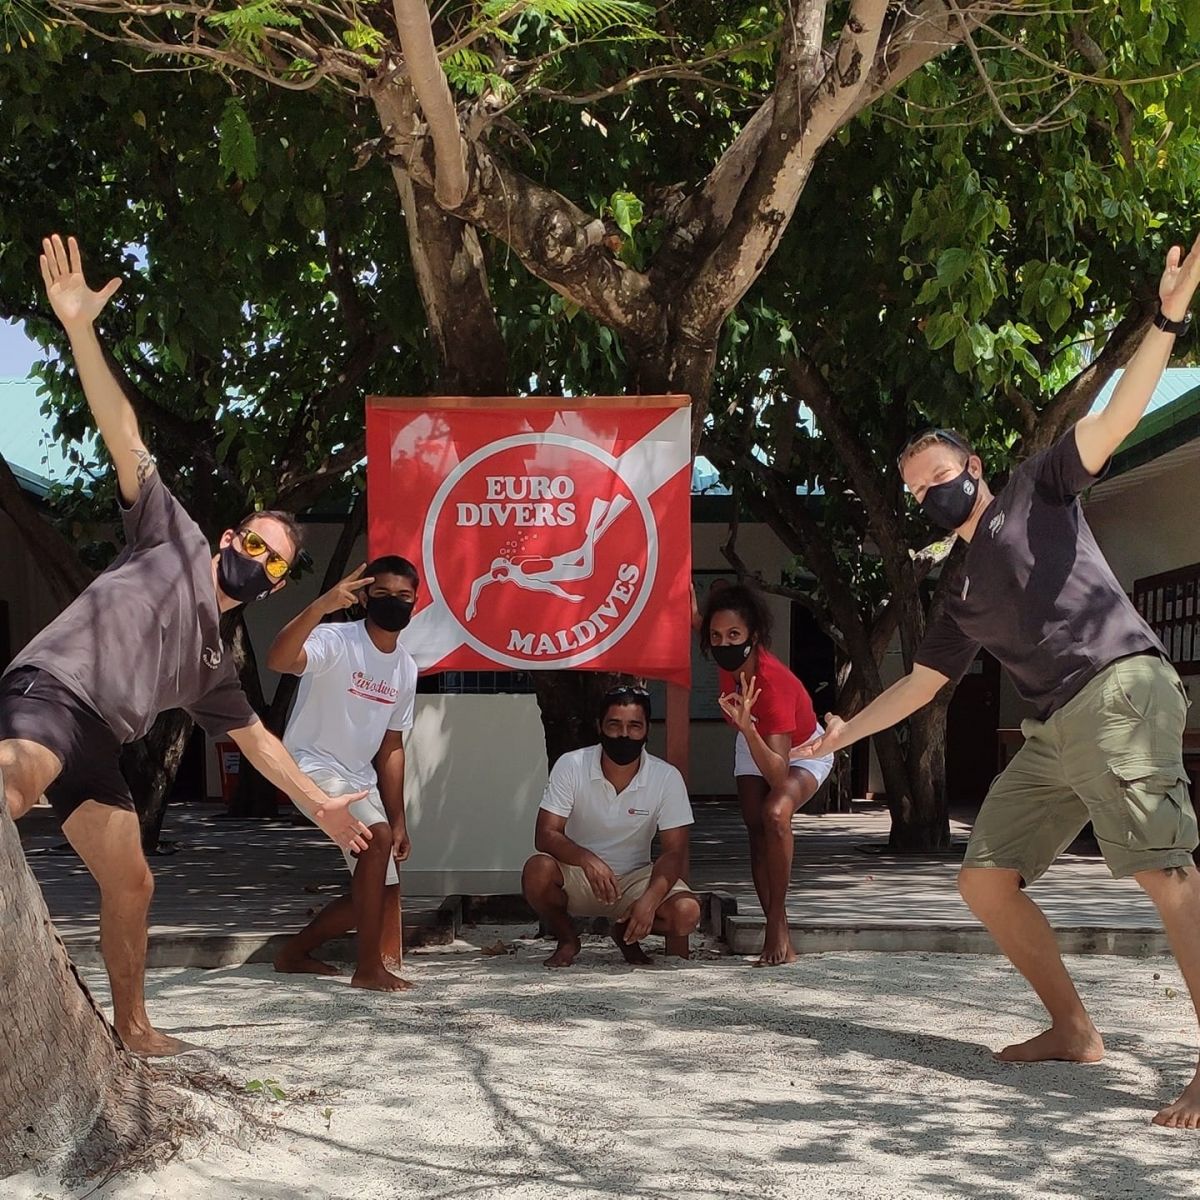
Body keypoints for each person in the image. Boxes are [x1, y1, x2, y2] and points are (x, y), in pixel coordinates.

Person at [795, 235, 1200, 1128]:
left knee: (1164, 874)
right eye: (916, 491)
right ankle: (1072, 1028)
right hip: (1056, 726)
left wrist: (1167, 318)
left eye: (939, 477)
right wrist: (839, 735)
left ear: (972, 469)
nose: (931, 495)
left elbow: (1119, 415)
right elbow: (922, 686)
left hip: (1120, 686)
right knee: (984, 879)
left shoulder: (1035, 488)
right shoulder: (956, 589)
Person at [0, 235, 372, 1055]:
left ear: (273, 588)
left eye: (276, 565)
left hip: (103, 742)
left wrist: (319, 805)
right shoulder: (169, 532)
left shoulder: (216, 666)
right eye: (260, 543)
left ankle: (132, 1029)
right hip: (54, 692)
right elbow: (120, 426)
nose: (263, 562)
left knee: (132, 881)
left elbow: (258, 742)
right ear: (233, 534)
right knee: (13, 786)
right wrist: (78, 331)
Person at [267, 556, 421, 992]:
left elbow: (392, 747)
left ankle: (294, 953)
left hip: (358, 781)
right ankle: (367, 969)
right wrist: (319, 606)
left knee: (378, 893)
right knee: (375, 847)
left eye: (403, 597)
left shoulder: (406, 668)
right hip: (310, 766)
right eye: (383, 594)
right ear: (365, 597)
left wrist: (399, 819)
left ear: (415, 602)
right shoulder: (334, 639)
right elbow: (279, 659)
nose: (394, 603)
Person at [694, 582, 834, 967]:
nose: (724, 643)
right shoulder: (727, 657)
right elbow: (703, 624)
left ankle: (776, 926)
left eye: (734, 635)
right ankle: (780, 924)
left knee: (775, 814)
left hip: (802, 750)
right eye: (716, 636)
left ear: (753, 637)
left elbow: (778, 771)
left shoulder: (771, 684)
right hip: (751, 734)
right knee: (755, 829)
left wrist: (749, 728)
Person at [522, 685, 701, 968]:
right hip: (577, 876)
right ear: (599, 726)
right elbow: (545, 834)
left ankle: (624, 932)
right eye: (614, 725)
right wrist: (587, 860)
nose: (624, 734)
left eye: (634, 726)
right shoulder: (572, 764)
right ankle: (568, 938)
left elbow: (674, 852)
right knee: (536, 871)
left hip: (635, 879)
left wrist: (649, 901)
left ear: (647, 729)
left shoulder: (666, 777)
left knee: (686, 912)